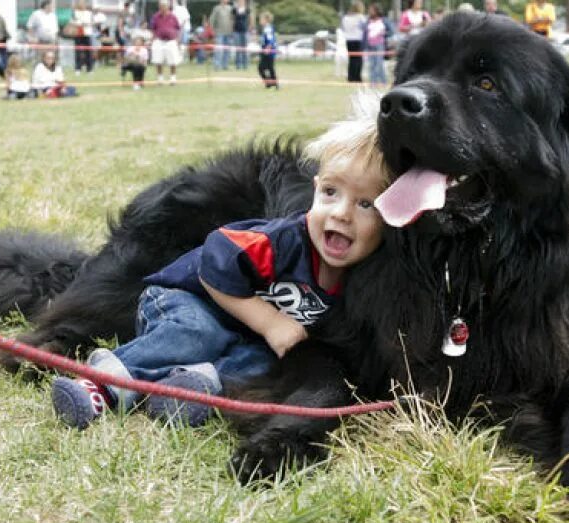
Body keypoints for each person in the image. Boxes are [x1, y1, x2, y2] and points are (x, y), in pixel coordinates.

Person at [50, 105, 390, 430]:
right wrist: (271, 323)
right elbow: (215, 264)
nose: (341, 214)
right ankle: (104, 383)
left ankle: (191, 385)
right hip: (187, 299)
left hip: (238, 324)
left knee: (261, 360)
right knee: (198, 333)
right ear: (315, 190)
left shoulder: (359, 274)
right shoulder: (284, 240)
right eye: (331, 193)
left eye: (364, 204)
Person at [150, 0, 182, 85]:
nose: (162, 7)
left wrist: (177, 40)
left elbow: (178, 29)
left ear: (167, 6)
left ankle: (173, 79)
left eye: (164, 6)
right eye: (161, 6)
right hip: (159, 41)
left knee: (173, 60)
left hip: (171, 41)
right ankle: (160, 79)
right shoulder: (155, 16)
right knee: (158, 60)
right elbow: (153, 28)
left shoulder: (173, 17)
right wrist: (153, 39)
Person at [364, 3, 390, 86]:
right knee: (372, 65)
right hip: (370, 45)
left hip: (379, 45)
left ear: (376, 11)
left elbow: (391, 31)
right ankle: (373, 83)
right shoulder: (368, 21)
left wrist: (383, 33)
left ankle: (381, 82)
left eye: (372, 10)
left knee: (379, 65)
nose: (370, 11)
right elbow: (365, 32)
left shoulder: (384, 20)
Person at [341, 0, 367, 83]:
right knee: (358, 59)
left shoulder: (346, 17)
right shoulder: (360, 17)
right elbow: (365, 27)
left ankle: (350, 77)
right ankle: (357, 77)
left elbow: (343, 28)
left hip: (348, 40)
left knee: (352, 59)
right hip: (358, 39)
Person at [209, 0, 234, 70]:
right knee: (219, 50)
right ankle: (217, 65)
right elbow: (212, 19)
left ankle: (225, 65)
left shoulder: (230, 8)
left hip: (229, 32)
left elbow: (233, 19)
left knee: (227, 50)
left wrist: (233, 29)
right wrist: (212, 29)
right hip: (219, 32)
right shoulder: (216, 8)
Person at [72, 0, 94, 75]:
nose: (81, 4)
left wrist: (86, 23)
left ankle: (89, 69)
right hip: (78, 34)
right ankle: (78, 68)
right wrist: (78, 23)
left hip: (87, 33)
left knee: (88, 52)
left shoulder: (89, 13)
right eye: (80, 3)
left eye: (83, 3)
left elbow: (92, 22)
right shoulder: (75, 12)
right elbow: (72, 21)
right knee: (78, 52)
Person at [257, 11, 278, 89]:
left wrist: (267, 48)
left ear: (266, 20)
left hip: (268, 51)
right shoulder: (266, 28)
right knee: (269, 67)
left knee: (262, 68)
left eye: (261, 19)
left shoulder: (268, 28)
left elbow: (270, 40)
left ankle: (271, 83)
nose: (260, 21)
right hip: (266, 50)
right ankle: (271, 83)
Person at [232, 0, 250, 70]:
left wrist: (250, 27)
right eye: (239, 1)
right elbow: (232, 18)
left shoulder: (247, 10)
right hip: (236, 31)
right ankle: (238, 65)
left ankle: (245, 65)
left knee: (244, 49)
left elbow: (250, 18)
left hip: (244, 31)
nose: (241, 2)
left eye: (242, 1)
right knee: (238, 49)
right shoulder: (234, 10)